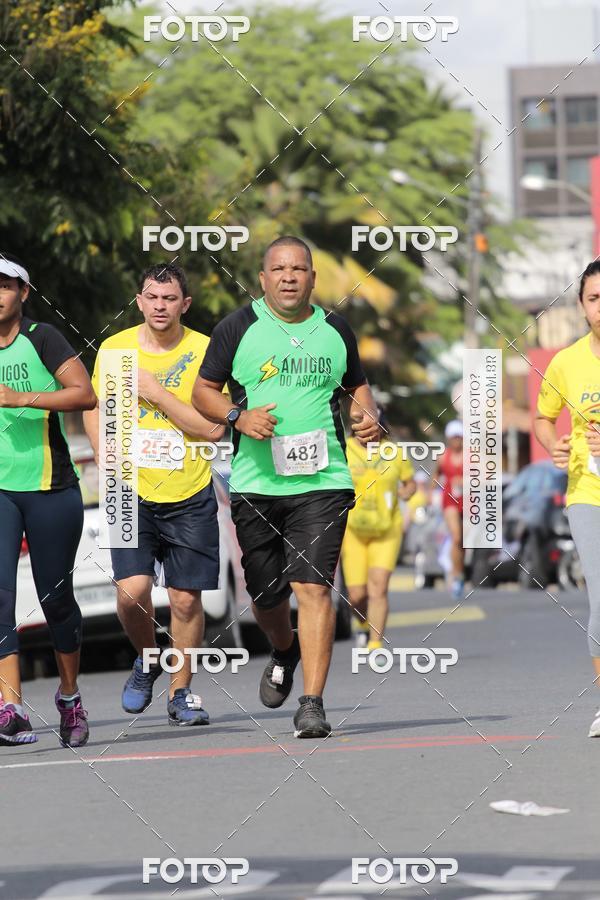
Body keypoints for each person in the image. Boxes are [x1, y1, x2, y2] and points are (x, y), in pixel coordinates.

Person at [193, 236, 379, 738]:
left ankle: (312, 703)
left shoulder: (336, 329)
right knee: (265, 595)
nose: (289, 277)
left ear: (313, 278)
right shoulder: (237, 327)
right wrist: (239, 416)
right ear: (263, 278)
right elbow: (202, 392)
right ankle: (283, 649)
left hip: (324, 482)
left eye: (298, 269)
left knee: (313, 587)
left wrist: (368, 414)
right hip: (256, 484)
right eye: (279, 269)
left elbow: (357, 385)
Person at [84, 263, 224, 727]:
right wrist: (102, 450)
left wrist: (158, 394)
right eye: (152, 297)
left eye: (169, 298)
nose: (160, 306)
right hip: (128, 490)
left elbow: (213, 430)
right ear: (139, 301)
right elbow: (94, 406)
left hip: (189, 490)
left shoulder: (205, 351)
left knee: (184, 600)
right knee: (132, 594)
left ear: (185, 304)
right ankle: (147, 659)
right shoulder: (115, 349)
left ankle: (181, 693)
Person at [0, 252, 96, 747]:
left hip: (50, 488)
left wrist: (20, 398)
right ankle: (11, 708)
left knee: (55, 600)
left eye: (4, 286)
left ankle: (69, 697)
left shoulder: (43, 338)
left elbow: (84, 394)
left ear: (23, 293)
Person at [534, 258, 600, 738]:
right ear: (581, 305)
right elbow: (543, 417)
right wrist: (551, 444)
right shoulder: (567, 362)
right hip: (587, 494)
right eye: (594, 299)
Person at [341, 412, 416, 650]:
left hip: (387, 530)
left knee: (379, 587)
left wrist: (407, 492)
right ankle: (363, 623)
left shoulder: (394, 452)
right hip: (353, 531)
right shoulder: (343, 449)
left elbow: (410, 483)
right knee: (356, 596)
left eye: (373, 427)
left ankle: (375, 643)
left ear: (382, 428)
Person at [432, 420, 464, 598]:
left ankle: (460, 573)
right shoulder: (443, 457)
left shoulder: (471, 456)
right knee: (456, 537)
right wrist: (432, 493)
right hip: (450, 501)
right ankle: (455, 576)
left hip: (468, 501)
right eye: (453, 437)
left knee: (463, 542)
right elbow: (436, 476)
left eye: (459, 437)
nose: (456, 441)